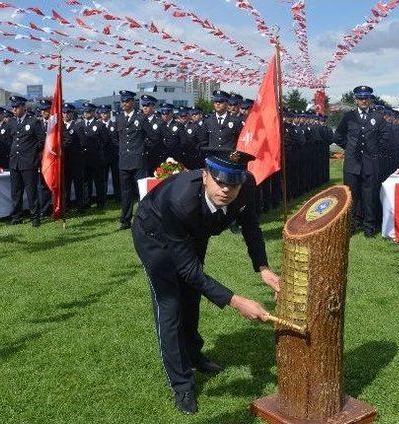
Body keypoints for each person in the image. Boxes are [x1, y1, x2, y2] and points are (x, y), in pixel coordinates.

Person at [132, 147, 280, 414]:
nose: (226, 189)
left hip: (193, 232)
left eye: (233, 183)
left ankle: (193, 353)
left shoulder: (244, 188)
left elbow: (251, 227)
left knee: (192, 297)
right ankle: (182, 385)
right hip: (155, 235)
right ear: (205, 176)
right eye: (220, 181)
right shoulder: (178, 200)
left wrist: (263, 267)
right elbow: (188, 270)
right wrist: (236, 301)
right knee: (171, 304)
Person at [334, 85, 390, 236]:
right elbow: (338, 136)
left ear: (370, 99)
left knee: (370, 195)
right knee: (351, 196)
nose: (363, 100)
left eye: (366, 98)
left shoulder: (377, 117)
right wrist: (350, 148)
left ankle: (369, 226)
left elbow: (385, 138)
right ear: (355, 100)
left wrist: (375, 151)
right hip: (352, 164)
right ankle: (351, 224)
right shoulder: (348, 117)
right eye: (360, 98)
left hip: (370, 163)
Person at [116, 90, 157, 230]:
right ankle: (125, 220)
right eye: (123, 101)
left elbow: (153, 138)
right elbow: (117, 139)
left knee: (141, 192)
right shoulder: (119, 118)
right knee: (126, 192)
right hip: (124, 161)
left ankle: (142, 218)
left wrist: (142, 150)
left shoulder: (141, 118)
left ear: (133, 102)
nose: (124, 104)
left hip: (138, 160)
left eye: (127, 101)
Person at [7, 95, 46, 227]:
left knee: (31, 192)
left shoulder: (34, 121)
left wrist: (32, 152)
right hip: (15, 162)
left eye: (16, 107)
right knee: (16, 191)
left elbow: (42, 140)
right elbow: (9, 139)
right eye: (13, 107)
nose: (14, 110)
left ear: (23, 107)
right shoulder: (11, 122)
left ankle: (35, 216)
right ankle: (16, 216)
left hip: (29, 162)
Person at [98, 105, 120, 201]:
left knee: (116, 177)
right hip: (103, 156)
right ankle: (103, 198)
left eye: (106, 113)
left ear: (109, 113)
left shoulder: (114, 124)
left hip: (114, 155)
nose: (104, 115)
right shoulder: (98, 125)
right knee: (104, 178)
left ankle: (118, 197)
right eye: (102, 113)